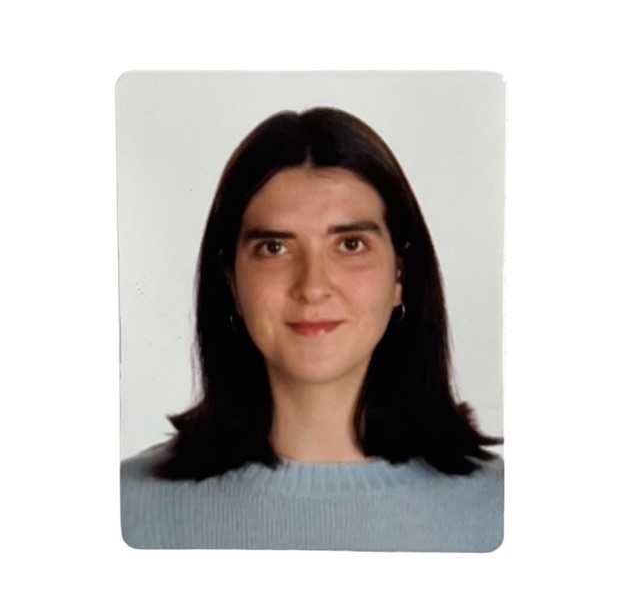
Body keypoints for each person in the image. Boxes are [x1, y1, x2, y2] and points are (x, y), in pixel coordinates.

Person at [120, 106, 504, 551]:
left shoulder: (500, 509)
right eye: (274, 248)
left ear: (400, 274)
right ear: (231, 282)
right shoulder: (126, 508)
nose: (313, 287)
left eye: (350, 244)